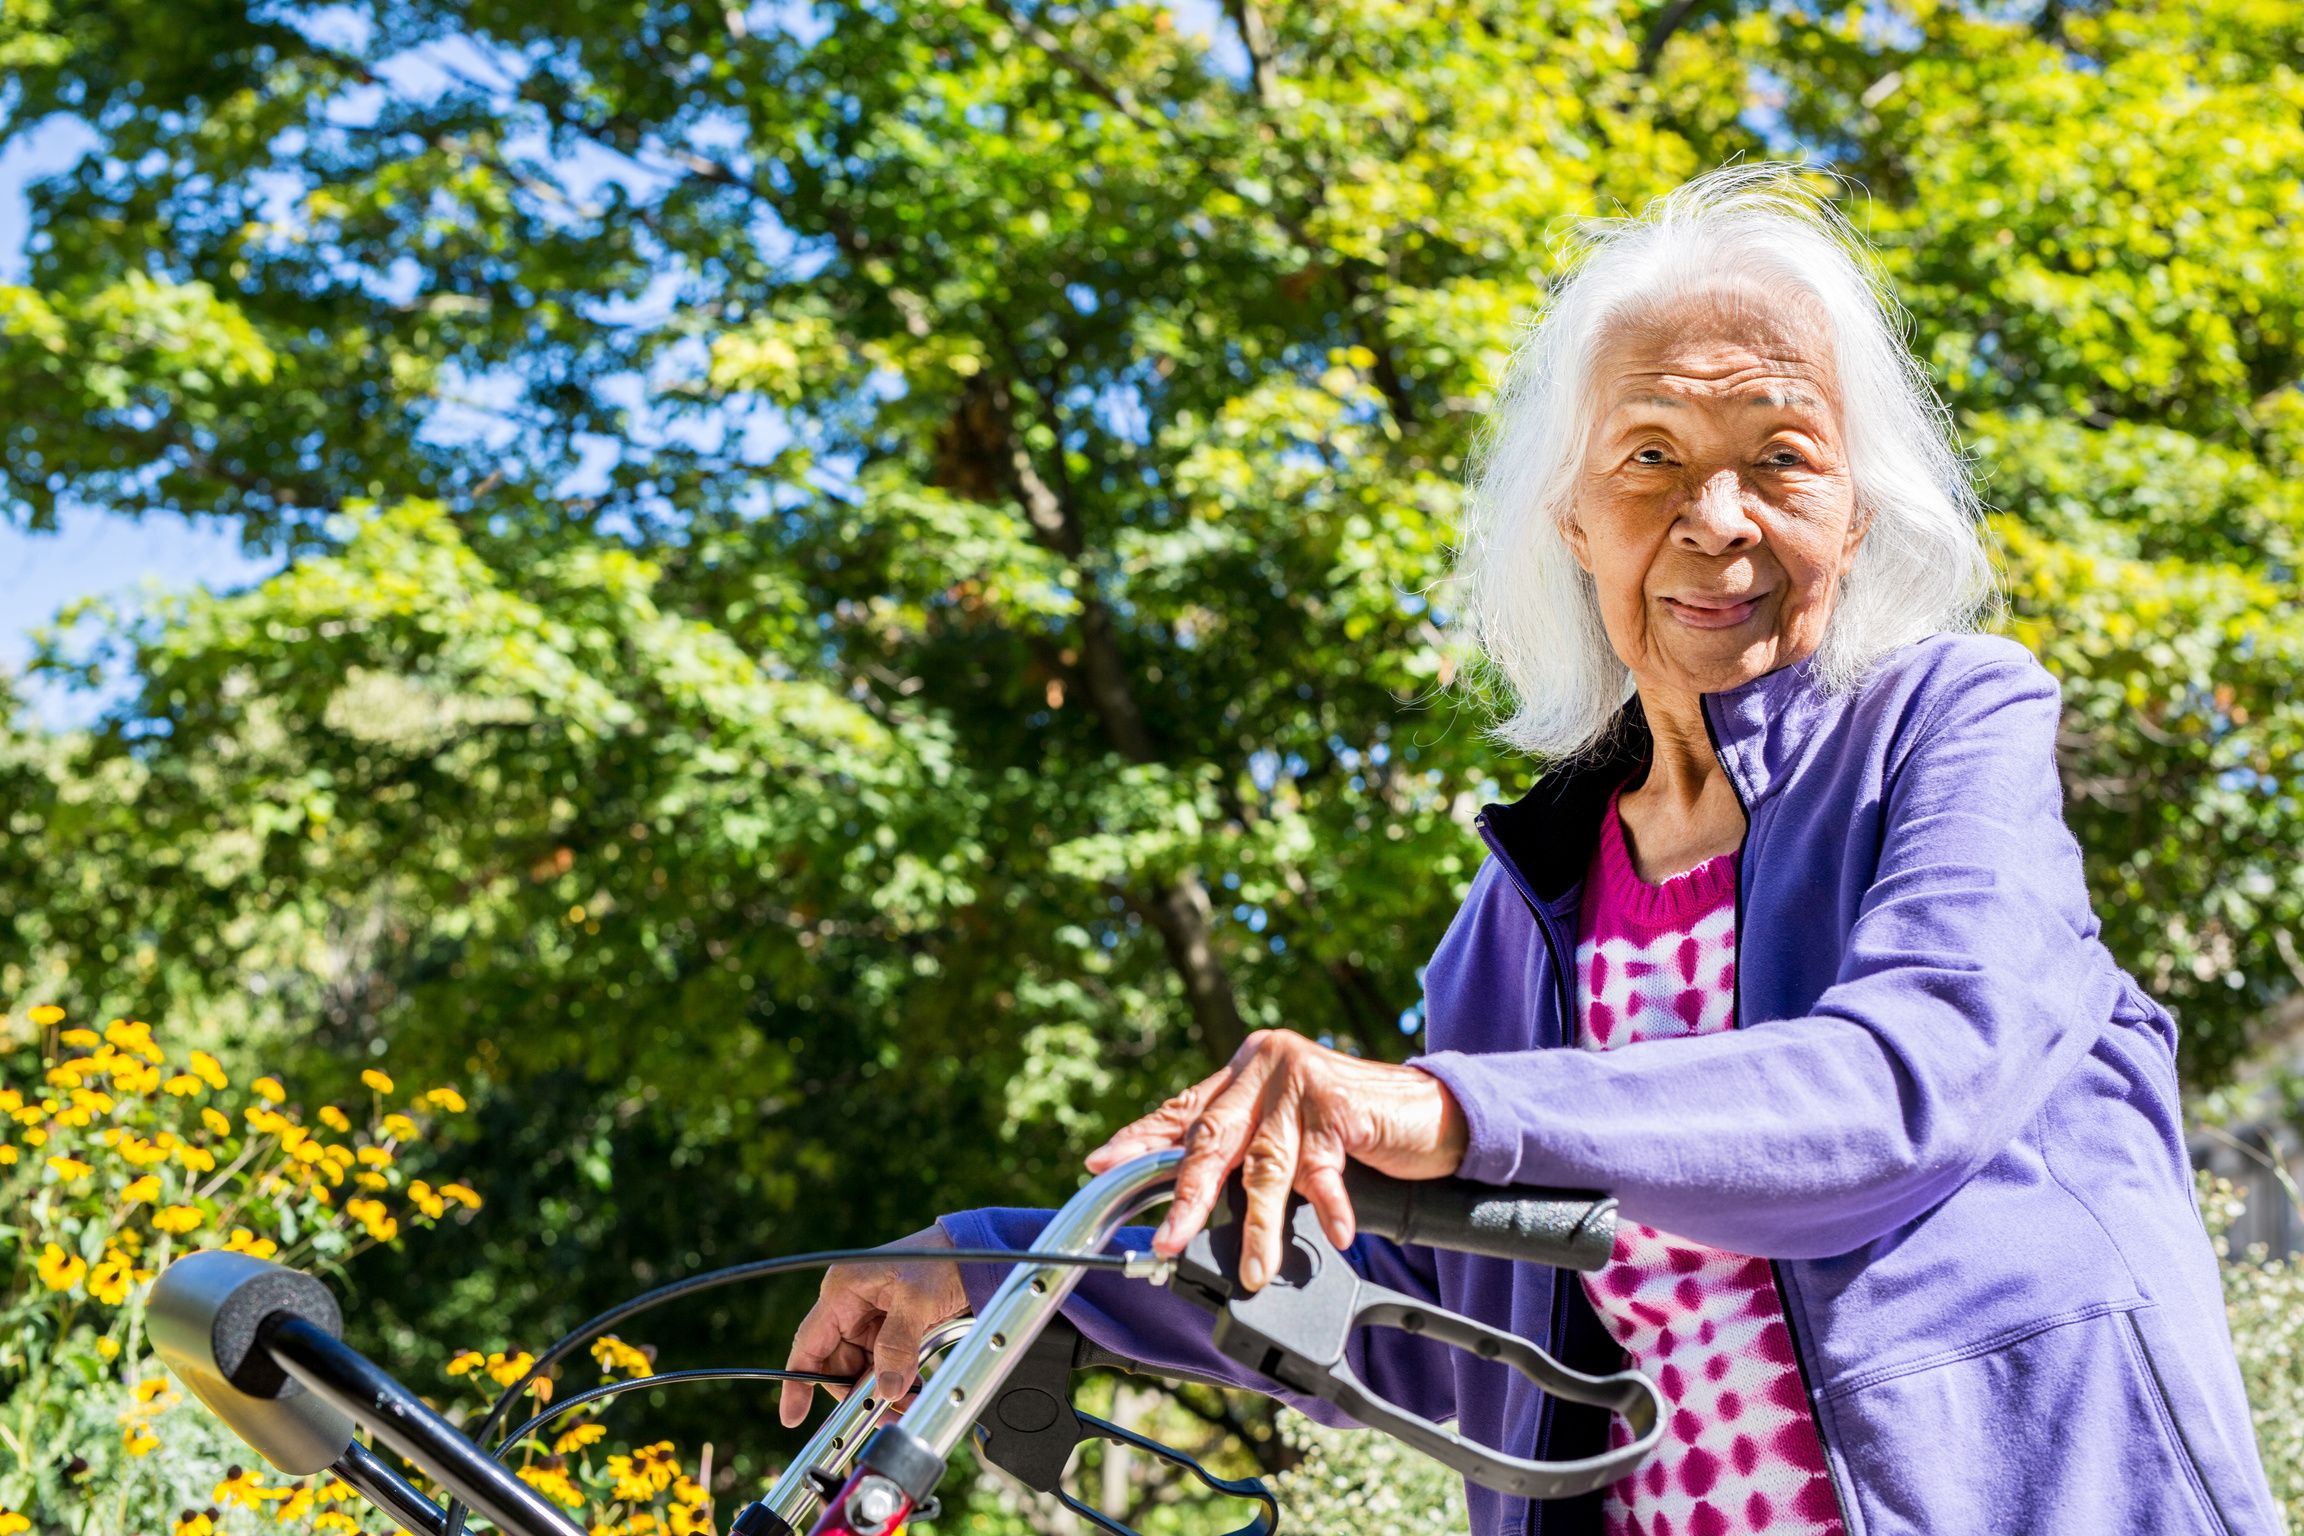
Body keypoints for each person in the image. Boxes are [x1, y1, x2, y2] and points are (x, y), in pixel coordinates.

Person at [780, 163, 2281, 1534]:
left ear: (1857, 505)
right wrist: (1013, 1265)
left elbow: (1908, 1081)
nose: (1718, 518)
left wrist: (1433, 1106)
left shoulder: (1950, 730)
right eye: (1648, 457)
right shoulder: (1518, 919)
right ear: (1571, 515)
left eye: (1782, 456)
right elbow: (1418, 1307)